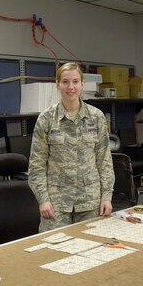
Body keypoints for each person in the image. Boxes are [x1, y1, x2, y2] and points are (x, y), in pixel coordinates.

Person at [28, 62, 114, 232]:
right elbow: (36, 165)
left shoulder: (96, 117)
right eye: (65, 82)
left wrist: (107, 196)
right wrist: (43, 199)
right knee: (54, 249)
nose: (71, 87)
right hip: (56, 203)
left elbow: (104, 161)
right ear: (58, 84)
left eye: (75, 82)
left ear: (82, 84)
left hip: (90, 202)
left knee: (93, 250)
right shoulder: (46, 119)